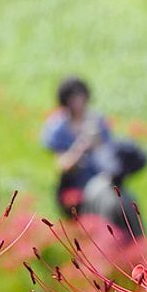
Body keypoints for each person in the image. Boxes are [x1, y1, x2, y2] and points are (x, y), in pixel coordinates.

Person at [41, 77, 112, 213]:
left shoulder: (97, 120)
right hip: (74, 186)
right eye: (74, 99)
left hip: (100, 183)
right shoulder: (58, 126)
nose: (79, 103)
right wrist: (82, 144)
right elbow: (63, 165)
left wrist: (96, 141)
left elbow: (108, 155)